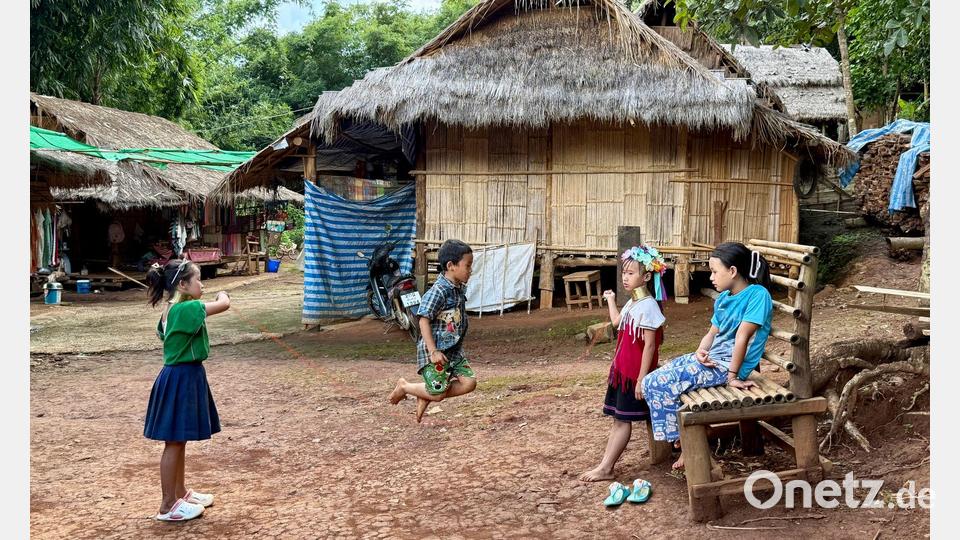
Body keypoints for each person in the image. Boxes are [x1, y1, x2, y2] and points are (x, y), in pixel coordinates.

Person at [641, 242, 772, 470]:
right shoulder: (723, 299)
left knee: (660, 383)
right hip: (711, 361)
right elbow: (712, 333)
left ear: (732, 271)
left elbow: (742, 337)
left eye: (714, 271)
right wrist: (701, 352)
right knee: (650, 380)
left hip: (725, 368)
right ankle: (688, 439)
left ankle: (686, 445)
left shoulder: (757, 295)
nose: (711, 277)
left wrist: (732, 376)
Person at [144, 259, 231, 521]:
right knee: (174, 441)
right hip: (180, 377)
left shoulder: (171, 310)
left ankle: (179, 493)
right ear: (182, 284)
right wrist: (223, 294)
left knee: (178, 439)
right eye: (198, 279)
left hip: (181, 376)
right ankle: (168, 505)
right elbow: (224, 304)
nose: (201, 284)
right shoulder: (187, 309)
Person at [579, 244, 667, 482]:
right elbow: (617, 323)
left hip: (633, 376)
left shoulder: (648, 307)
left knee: (622, 421)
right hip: (622, 372)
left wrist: (641, 380)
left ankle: (606, 468)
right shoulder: (634, 302)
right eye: (624, 273)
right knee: (620, 419)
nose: (625, 277)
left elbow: (650, 346)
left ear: (647, 276)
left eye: (631, 273)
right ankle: (605, 466)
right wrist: (610, 300)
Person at [388, 239, 477, 423]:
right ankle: (405, 387)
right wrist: (433, 351)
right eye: (467, 266)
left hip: (453, 351)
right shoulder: (439, 291)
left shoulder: (458, 289)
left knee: (469, 383)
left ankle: (426, 394)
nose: (470, 270)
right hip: (436, 352)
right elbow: (423, 320)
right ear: (451, 266)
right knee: (438, 395)